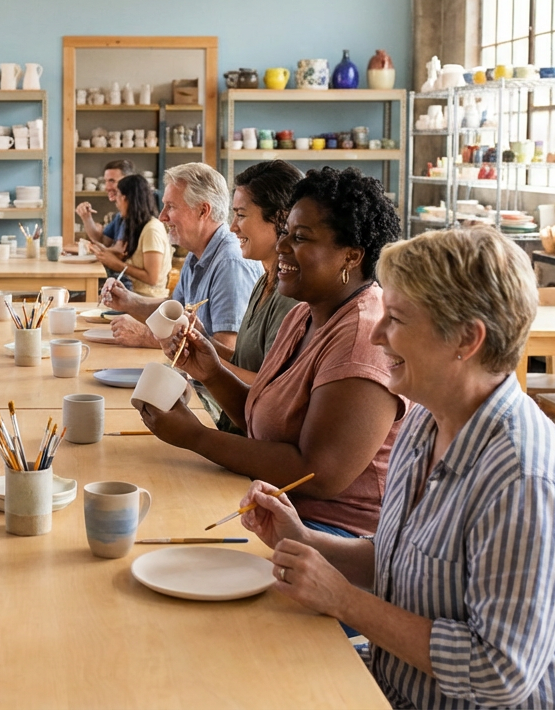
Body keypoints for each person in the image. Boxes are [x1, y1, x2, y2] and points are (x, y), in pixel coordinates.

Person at [243, 226, 555, 708]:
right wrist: (306, 541)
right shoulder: (425, 422)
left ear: (466, 339)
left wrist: (344, 600)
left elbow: (497, 672)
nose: (376, 333)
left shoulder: (525, 482)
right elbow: (403, 563)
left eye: (395, 318)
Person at [138, 167, 405, 538]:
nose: (281, 247)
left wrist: (196, 437)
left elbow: (318, 473)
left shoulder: (363, 337)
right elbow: (267, 424)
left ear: (351, 255)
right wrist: (212, 374)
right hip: (273, 506)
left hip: (332, 534)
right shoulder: (303, 313)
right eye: (284, 234)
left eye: (300, 238)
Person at [103, 162, 261, 350]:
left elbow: (228, 352)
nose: (162, 216)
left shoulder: (230, 263)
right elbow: (173, 312)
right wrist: (130, 301)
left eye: (170, 207)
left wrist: (147, 337)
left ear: (203, 210)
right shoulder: (197, 251)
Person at [214, 161, 303, 433]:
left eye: (241, 215)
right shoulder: (265, 278)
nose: (232, 227)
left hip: (253, 446)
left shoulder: (293, 296)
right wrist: (201, 348)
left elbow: (273, 389)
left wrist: (209, 367)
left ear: (280, 218)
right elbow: (248, 363)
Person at [89, 174, 171, 299]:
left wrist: (116, 264)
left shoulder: (152, 229)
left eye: (117, 196)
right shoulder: (135, 225)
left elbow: (152, 278)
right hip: (131, 294)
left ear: (126, 199)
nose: (116, 202)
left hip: (147, 300)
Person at [75, 159, 134, 246]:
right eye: (105, 181)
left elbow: (120, 252)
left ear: (129, 182)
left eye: (112, 181)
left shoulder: (136, 216)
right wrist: (86, 217)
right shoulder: (119, 216)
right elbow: (103, 241)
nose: (106, 187)